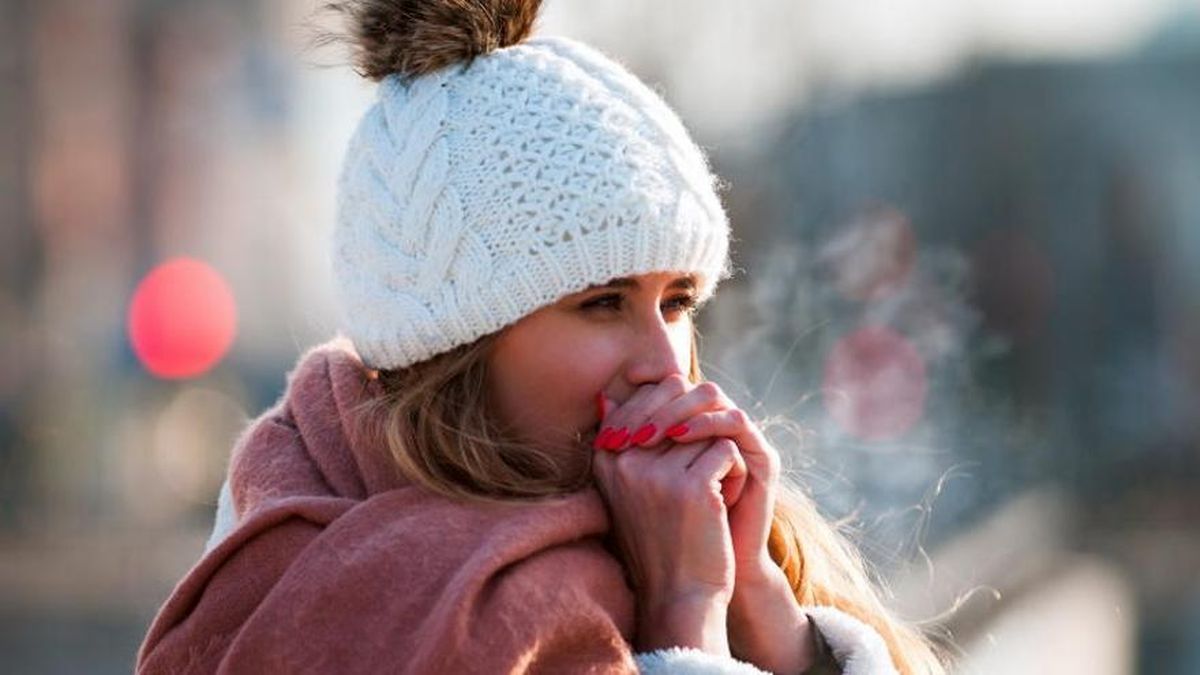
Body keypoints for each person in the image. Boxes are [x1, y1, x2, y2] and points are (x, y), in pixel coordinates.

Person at [137, 1, 947, 673]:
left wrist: (772, 618)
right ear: (456, 348)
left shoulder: (718, 545)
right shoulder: (325, 589)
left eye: (677, 301)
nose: (664, 361)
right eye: (602, 302)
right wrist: (682, 619)